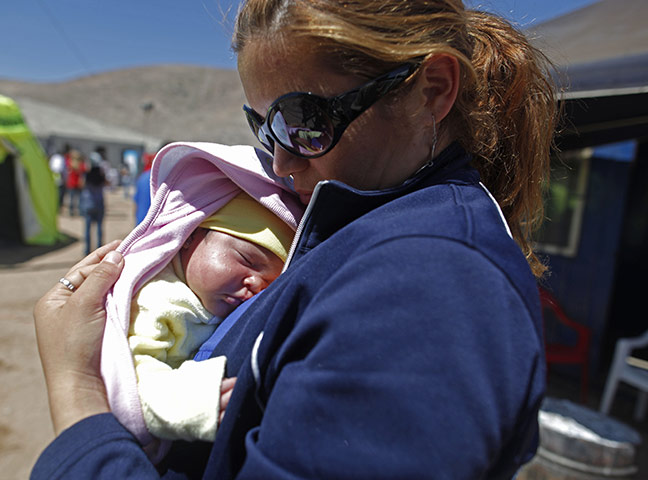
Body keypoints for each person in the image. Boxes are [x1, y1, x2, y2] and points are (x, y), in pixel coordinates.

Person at [32, 1, 558, 479]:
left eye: (306, 122)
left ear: (433, 90)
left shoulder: (432, 283)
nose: (282, 165)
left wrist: (75, 388)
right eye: (263, 127)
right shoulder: (367, 230)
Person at [125, 191, 293, 461]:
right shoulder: (154, 300)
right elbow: (131, 381)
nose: (255, 285)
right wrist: (194, 402)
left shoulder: (204, 299)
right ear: (191, 236)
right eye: (247, 261)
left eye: (268, 285)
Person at [80, 163, 106, 255]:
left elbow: (80, 184)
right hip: (99, 204)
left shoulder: (87, 178)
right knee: (99, 228)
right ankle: (99, 249)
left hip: (88, 204)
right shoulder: (101, 178)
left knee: (87, 229)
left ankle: (87, 250)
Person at [65, 149, 87, 216]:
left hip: (73, 183)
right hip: (75, 183)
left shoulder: (71, 163)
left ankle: (73, 211)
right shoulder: (80, 164)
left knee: (74, 199)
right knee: (78, 199)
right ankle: (79, 212)